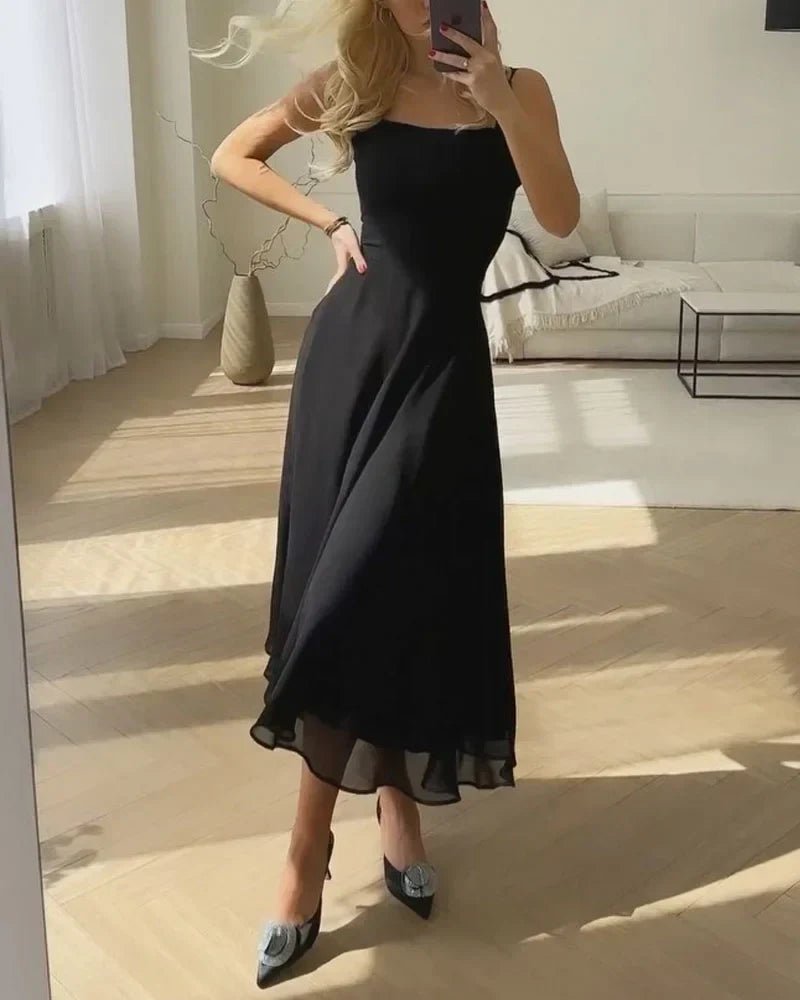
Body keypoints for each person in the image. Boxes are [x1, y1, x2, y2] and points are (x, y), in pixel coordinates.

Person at [208, 0, 579, 987]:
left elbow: (559, 215)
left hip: (443, 377)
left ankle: (397, 801)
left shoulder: (522, 90)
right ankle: (306, 850)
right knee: (344, 597)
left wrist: (499, 100)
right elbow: (233, 156)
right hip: (353, 363)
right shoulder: (358, 83)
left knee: (407, 590)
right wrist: (329, 220)